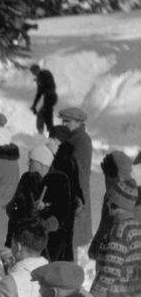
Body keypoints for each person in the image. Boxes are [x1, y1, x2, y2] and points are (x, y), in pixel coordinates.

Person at [5, 145, 73, 260]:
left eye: (31, 161)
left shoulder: (59, 180)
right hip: (23, 237)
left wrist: (44, 222)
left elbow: (62, 212)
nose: (28, 164)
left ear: (42, 164)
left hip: (48, 240)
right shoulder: (27, 178)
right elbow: (15, 206)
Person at [59, 107, 93, 250]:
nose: (64, 124)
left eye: (68, 121)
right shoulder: (73, 138)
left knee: (70, 243)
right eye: (63, 121)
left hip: (75, 198)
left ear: (78, 122)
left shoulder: (81, 141)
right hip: (70, 196)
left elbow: (78, 173)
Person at [30, 64, 57, 135]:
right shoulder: (39, 78)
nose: (33, 74)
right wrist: (34, 105)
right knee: (43, 115)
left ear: (37, 69)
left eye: (33, 72)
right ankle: (43, 132)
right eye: (32, 72)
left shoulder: (45, 74)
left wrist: (40, 82)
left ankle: (49, 132)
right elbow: (39, 94)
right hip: (47, 98)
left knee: (45, 114)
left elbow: (51, 86)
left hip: (51, 97)